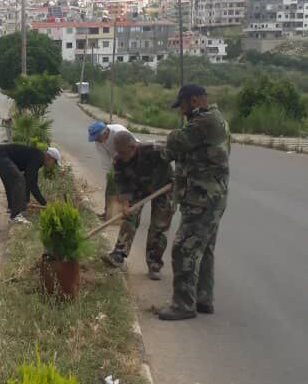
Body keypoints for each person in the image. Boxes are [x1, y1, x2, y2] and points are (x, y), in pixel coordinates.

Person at [158, 84, 230, 321]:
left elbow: (175, 143)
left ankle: (183, 305)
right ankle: (203, 299)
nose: (182, 112)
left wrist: (170, 139)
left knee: (184, 248)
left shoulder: (204, 122)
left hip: (202, 197)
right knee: (205, 248)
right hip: (212, 196)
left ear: (196, 101)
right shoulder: (215, 119)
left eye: (184, 106)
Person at [101, 131, 174, 280]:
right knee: (129, 217)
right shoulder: (118, 161)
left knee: (159, 226)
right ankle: (119, 255)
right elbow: (121, 183)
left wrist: (179, 177)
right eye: (118, 152)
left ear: (133, 147)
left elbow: (178, 153)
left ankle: (154, 265)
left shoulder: (154, 149)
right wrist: (126, 203)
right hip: (138, 189)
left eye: (123, 152)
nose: (120, 156)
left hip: (164, 187)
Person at [0, 144, 61, 224]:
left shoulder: (37, 158)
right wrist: (26, 202)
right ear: (49, 157)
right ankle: (15, 216)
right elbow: (27, 180)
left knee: (12, 180)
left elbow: (32, 184)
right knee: (18, 179)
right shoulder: (38, 158)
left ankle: (12, 208)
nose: (53, 165)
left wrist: (44, 203)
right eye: (54, 162)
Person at [87, 121, 132, 218]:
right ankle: (108, 213)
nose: (97, 141)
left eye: (97, 138)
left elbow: (132, 149)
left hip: (133, 158)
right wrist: (111, 178)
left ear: (104, 133)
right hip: (118, 162)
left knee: (129, 187)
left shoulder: (118, 132)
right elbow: (106, 163)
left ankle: (128, 214)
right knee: (111, 186)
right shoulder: (99, 143)